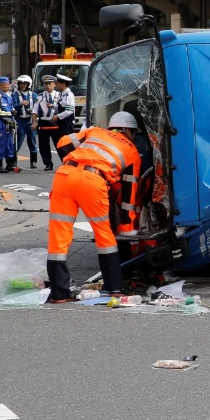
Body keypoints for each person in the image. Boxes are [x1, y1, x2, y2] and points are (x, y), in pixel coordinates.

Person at [46, 111, 142, 303]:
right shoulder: (132, 151)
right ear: (129, 131)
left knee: (59, 235)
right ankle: (115, 287)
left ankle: (59, 293)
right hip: (93, 181)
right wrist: (127, 226)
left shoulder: (94, 131)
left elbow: (62, 144)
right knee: (103, 233)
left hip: (64, 175)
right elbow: (129, 195)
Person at [32, 75, 61, 171]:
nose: (48, 86)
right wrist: (34, 122)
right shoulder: (40, 96)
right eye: (46, 84)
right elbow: (35, 110)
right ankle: (48, 163)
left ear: (54, 84)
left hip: (55, 122)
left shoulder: (59, 95)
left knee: (60, 144)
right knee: (44, 145)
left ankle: (64, 162)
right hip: (43, 122)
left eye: (50, 84)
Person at [0, 76, 18, 173]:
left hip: (9, 124)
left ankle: (10, 163)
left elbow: (12, 109)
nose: (8, 86)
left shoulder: (9, 97)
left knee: (9, 144)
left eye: (8, 84)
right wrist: (9, 114)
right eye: (5, 84)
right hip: (0, 124)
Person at [13, 75, 39, 169]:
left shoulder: (34, 95)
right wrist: (20, 104)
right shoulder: (15, 94)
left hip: (30, 120)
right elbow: (13, 106)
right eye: (21, 84)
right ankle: (13, 161)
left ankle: (34, 161)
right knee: (18, 140)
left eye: (25, 84)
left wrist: (35, 121)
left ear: (29, 84)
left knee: (32, 140)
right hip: (20, 120)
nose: (23, 85)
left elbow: (37, 108)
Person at [53, 74, 77, 139]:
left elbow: (69, 110)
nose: (56, 85)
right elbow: (62, 106)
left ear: (63, 84)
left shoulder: (68, 95)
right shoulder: (63, 94)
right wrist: (53, 106)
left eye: (57, 83)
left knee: (66, 142)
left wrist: (58, 116)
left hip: (67, 123)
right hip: (62, 123)